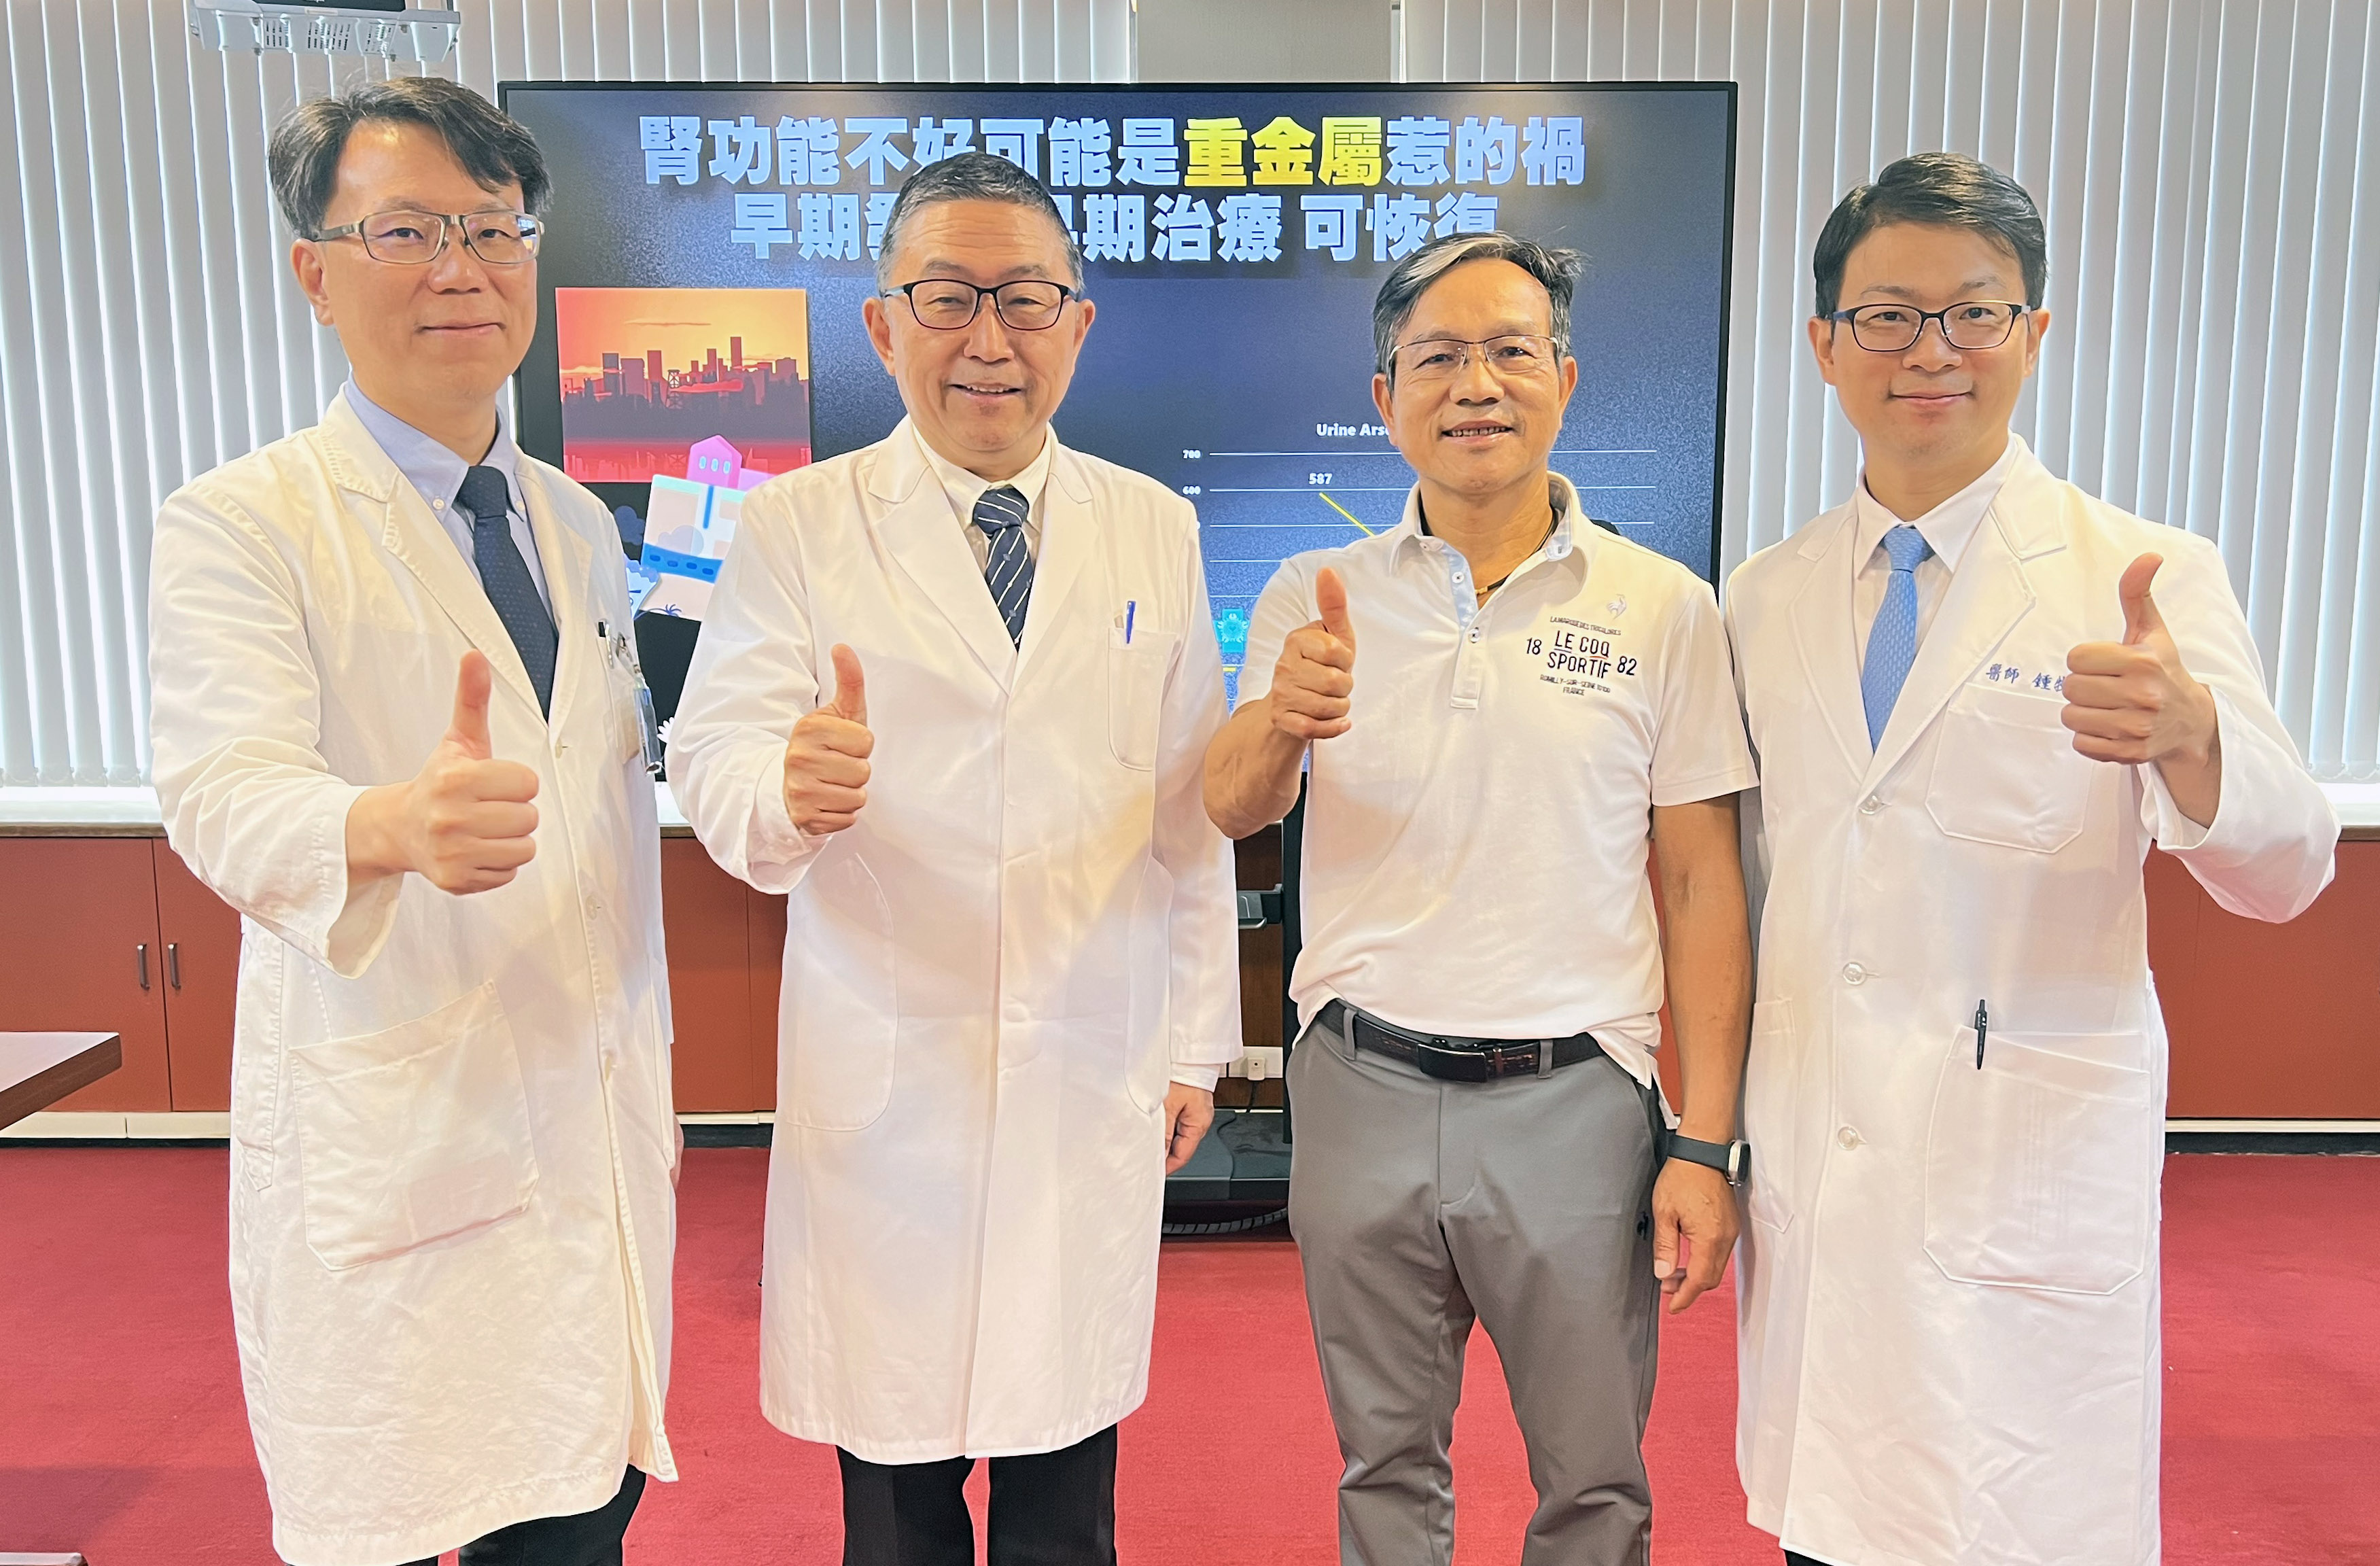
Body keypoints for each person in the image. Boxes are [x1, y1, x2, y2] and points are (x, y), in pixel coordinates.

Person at [1727, 152, 2337, 1566]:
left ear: (2033, 333)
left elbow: (2290, 868)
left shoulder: (2140, 574)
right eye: (1887, 316)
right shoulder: (1763, 596)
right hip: (1822, 1165)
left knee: (2016, 1527)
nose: (1930, 351)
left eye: (1973, 313)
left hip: (2021, 1179)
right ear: (1823, 344)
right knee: (1830, 1529)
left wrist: (2196, 742)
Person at [665, 150, 1240, 1566]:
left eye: (1025, 299)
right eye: (946, 298)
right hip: (890, 1081)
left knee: (1065, 1488)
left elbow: (1184, 810)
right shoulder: (799, 525)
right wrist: (787, 790)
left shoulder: (1151, 526)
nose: (989, 338)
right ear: (882, 324)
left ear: (1078, 325)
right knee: (897, 1502)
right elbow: (712, 755)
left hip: (1087, 1061)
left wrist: (1194, 1043)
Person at [146, 78, 677, 1566]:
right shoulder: (243, 521)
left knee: (574, 1518)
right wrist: (384, 825)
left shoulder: (576, 523)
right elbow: (218, 788)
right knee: (392, 1504)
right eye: (405, 231)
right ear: (315, 272)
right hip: (401, 1126)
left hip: (587, 1120)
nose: (461, 268)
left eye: (493, 229)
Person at [1204, 232, 1758, 1566]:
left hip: (1575, 1099)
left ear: (1562, 378)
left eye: (1509, 351)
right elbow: (1230, 805)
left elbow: (1700, 883)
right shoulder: (1312, 595)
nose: (1475, 385)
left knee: (1593, 1479)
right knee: (1383, 1466)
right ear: (1385, 395)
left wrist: (1704, 1145)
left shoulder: (1662, 607)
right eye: (1437, 357)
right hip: (1360, 1083)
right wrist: (1281, 716)